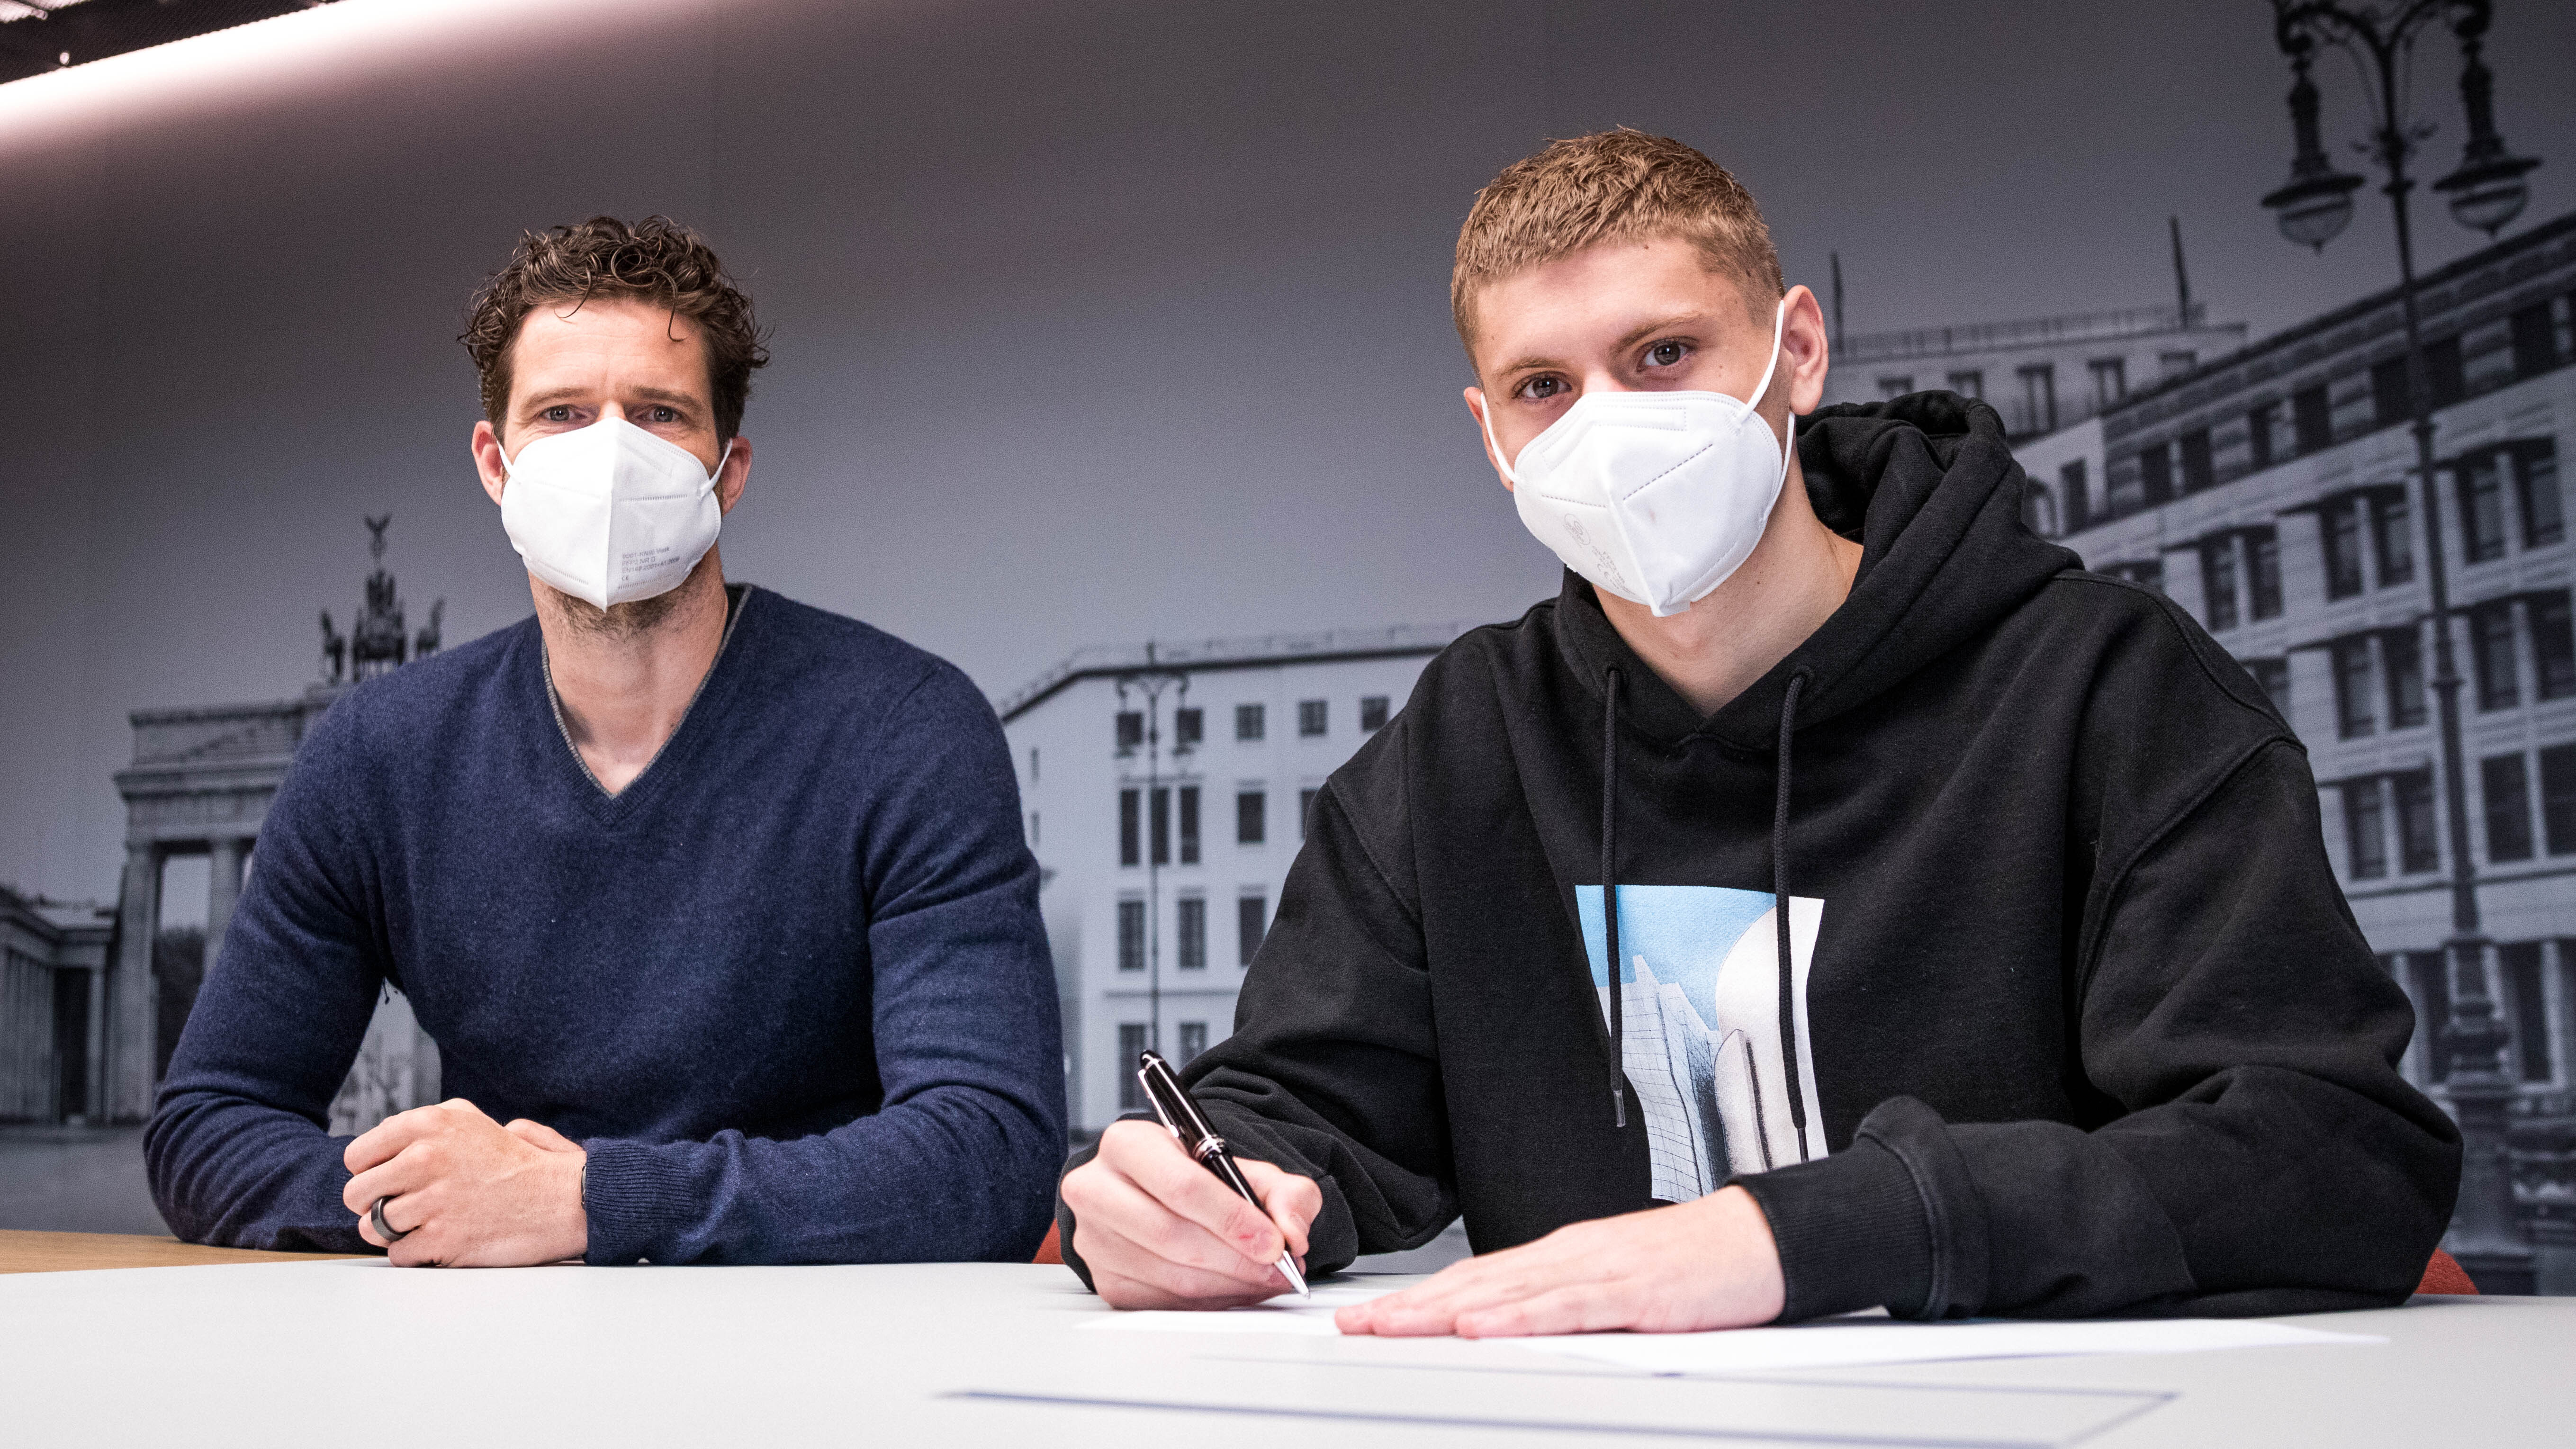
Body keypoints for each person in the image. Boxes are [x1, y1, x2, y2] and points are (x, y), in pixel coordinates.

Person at [1056, 131, 2459, 1332]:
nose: (1606, 423)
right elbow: (1309, 1103)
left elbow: (2324, 1150)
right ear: (1491, 434)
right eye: (1544, 386)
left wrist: (1799, 1236)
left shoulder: (2106, 688)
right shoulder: (1462, 739)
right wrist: (1203, 1190)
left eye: (1661, 352)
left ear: (1794, 350)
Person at [147, 216, 1065, 1267]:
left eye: (660, 414)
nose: (611, 454)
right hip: (502, 1355)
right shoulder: (380, 756)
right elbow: (210, 1122)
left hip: (820, 1351)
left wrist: (587, 1201)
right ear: (496, 463)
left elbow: (988, 1154)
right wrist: (429, 1201)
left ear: (729, 470)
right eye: (564, 413)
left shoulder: (907, 730)